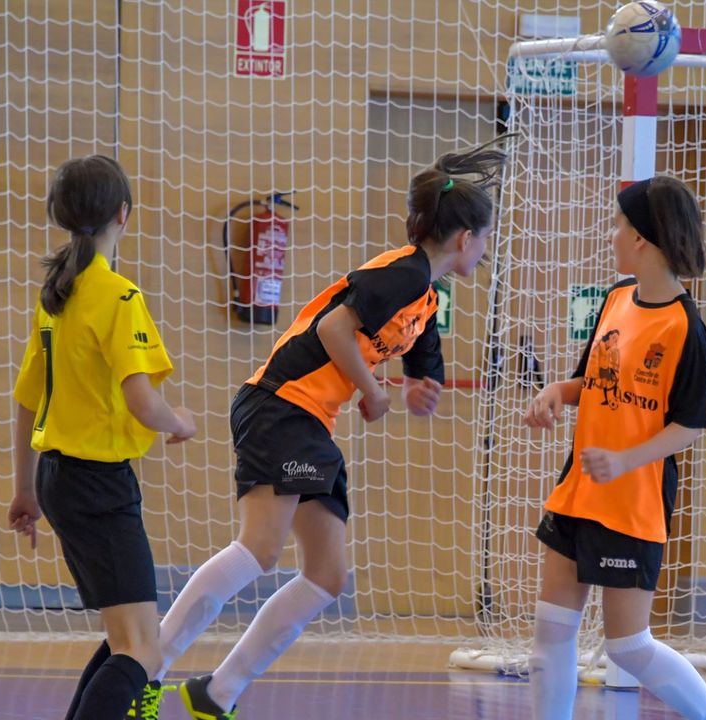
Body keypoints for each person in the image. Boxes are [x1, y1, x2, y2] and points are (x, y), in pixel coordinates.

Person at [136, 137, 511, 720]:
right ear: (466, 239)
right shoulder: (403, 274)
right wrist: (371, 389)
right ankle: (146, 669)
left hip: (312, 422)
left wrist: (417, 392)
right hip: (281, 405)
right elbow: (336, 330)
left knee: (327, 574)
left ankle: (219, 691)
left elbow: (417, 375)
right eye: (485, 239)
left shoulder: (427, 303)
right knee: (259, 547)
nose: (486, 251)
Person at [524, 175, 706, 720]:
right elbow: (588, 381)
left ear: (641, 238)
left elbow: (690, 425)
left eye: (619, 225)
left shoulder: (686, 326)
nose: (612, 235)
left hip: (633, 499)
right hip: (578, 489)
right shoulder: (615, 298)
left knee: (628, 647)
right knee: (550, 633)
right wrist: (554, 393)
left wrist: (623, 460)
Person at [7, 155, 197, 720]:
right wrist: (180, 421)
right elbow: (143, 400)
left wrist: (25, 490)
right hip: (97, 484)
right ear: (124, 213)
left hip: (59, 479)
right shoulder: (116, 296)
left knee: (127, 640)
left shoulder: (56, 299)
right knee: (143, 647)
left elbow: (26, 400)